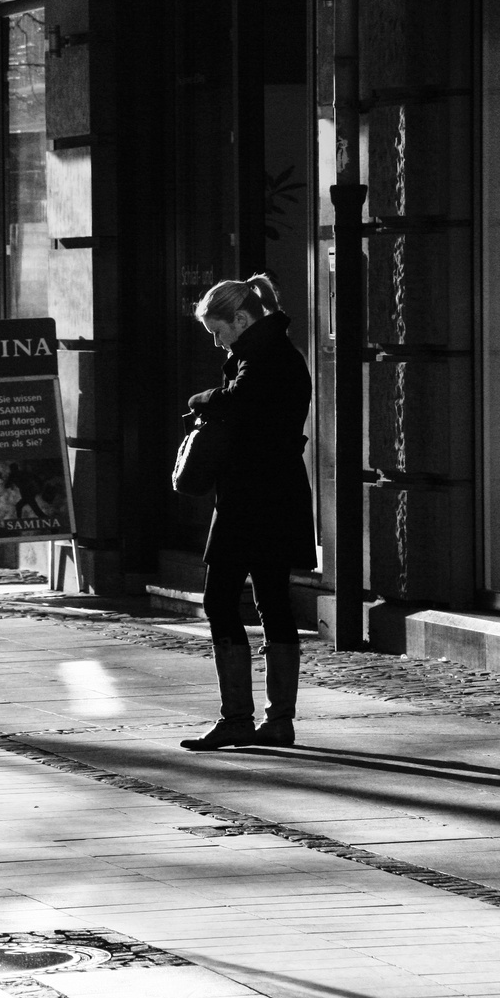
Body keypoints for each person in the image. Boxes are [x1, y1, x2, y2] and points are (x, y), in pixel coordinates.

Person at [179, 273, 317, 751]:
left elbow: (240, 403)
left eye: (219, 332)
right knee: (272, 601)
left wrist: (201, 400)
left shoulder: (267, 356)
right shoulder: (268, 352)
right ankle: (276, 720)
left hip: (253, 497)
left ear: (241, 318)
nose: (218, 343)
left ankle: (241, 717)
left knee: (220, 599)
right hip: (270, 493)